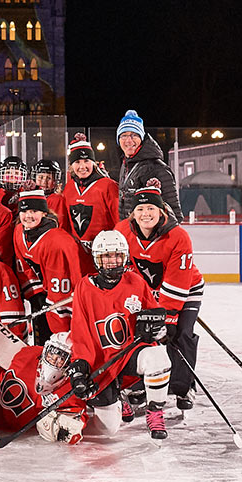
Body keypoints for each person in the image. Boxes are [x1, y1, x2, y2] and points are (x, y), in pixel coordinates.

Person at [66, 230, 173, 440]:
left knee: (158, 357)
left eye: (116, 255)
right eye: (106, 256)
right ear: (97, 259)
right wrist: (80, 366)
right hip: (103, 361)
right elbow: (80, 331)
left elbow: (154, 316)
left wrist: (158, 330)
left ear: (124, 257)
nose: (112, 261)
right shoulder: (84, 288)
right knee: (108, 430)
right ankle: (117, 398)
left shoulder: (135, 281)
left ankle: (155, 412)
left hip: (130, 353)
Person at [115, 182, 203, 410]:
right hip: (146, 294)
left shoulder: (178, 236)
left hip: (186, 290)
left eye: (151, 209)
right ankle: (140, 383)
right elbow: (124, 273)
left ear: (161, 211)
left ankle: (184, 388)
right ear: (133, 213)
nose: (145, 214)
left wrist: (168, 317)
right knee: (138, 332)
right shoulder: (122, 232)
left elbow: (178, 282)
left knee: (179, 334)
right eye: (140, 209)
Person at [13, 190, 92, 343]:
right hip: (48, 288)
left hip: (78, 286)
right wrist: (34, 293)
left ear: (44, 213)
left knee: (63, 336)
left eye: (34, 211)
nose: (28, 216)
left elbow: (63, 291)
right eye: (24, 211)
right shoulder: (18, 231)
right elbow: (24, 266)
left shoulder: (56, 241)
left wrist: (59, 336)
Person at [115, 109, 181, 221]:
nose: (128, 140)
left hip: (148, 236)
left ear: (141, 138)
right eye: (124, 135)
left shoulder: (156, 167)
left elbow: (174, 214)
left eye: (134, 135)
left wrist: (153, 236)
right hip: (130, 233)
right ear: (118, 139)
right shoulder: (127, 164)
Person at [63, 133, 120, 249]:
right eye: (77, 162)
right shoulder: (69, 187)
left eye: (86, 161)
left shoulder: (108, 186)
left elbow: (119, 221)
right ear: (71, 165)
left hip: (105, 253)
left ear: (93, 163)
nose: (82, 166)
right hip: (77, 251)